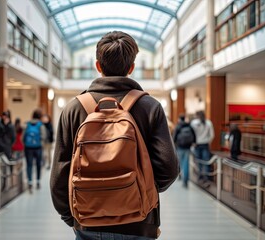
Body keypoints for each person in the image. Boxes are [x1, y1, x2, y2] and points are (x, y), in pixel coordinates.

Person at [50, 31, 179, 240]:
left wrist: (72, 216)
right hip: (140, 222)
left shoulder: (73, 109)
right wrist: (142, 192)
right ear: (131, 68)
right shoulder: (150, 107)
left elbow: (59, 173)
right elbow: (169, 169)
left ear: (98, 66)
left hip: (87, 221)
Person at [190, 110, 214, 185]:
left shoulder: (193, 123)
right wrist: (208, 141)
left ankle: (200, 177)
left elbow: (191, 134)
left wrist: (193, 142)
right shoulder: (208, 123)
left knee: (199, 162)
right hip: (205, 144)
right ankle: (206, 178)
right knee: (206, 162)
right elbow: (212, 135)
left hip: (197, 145)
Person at [24, 109, 45, 192]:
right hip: (38, 147)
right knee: (38, 164)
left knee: (29, 165)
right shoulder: (41, 125)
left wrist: (26, 144)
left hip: (28, 148)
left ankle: (30, 183)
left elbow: (23, 136)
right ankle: (38, 181)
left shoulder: (27, 124)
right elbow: (43, 136)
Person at [173, 114, 196, 188]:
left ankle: (179, 175)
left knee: (179, 162)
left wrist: (173, 145)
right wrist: (193, 143)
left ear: (179, 119)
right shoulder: (189, 126)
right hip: (187, 147)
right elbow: (194, 135)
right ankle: (185, 181)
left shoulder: (178, 126)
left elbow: (174, 137)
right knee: (186, 164)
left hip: (180, 147)